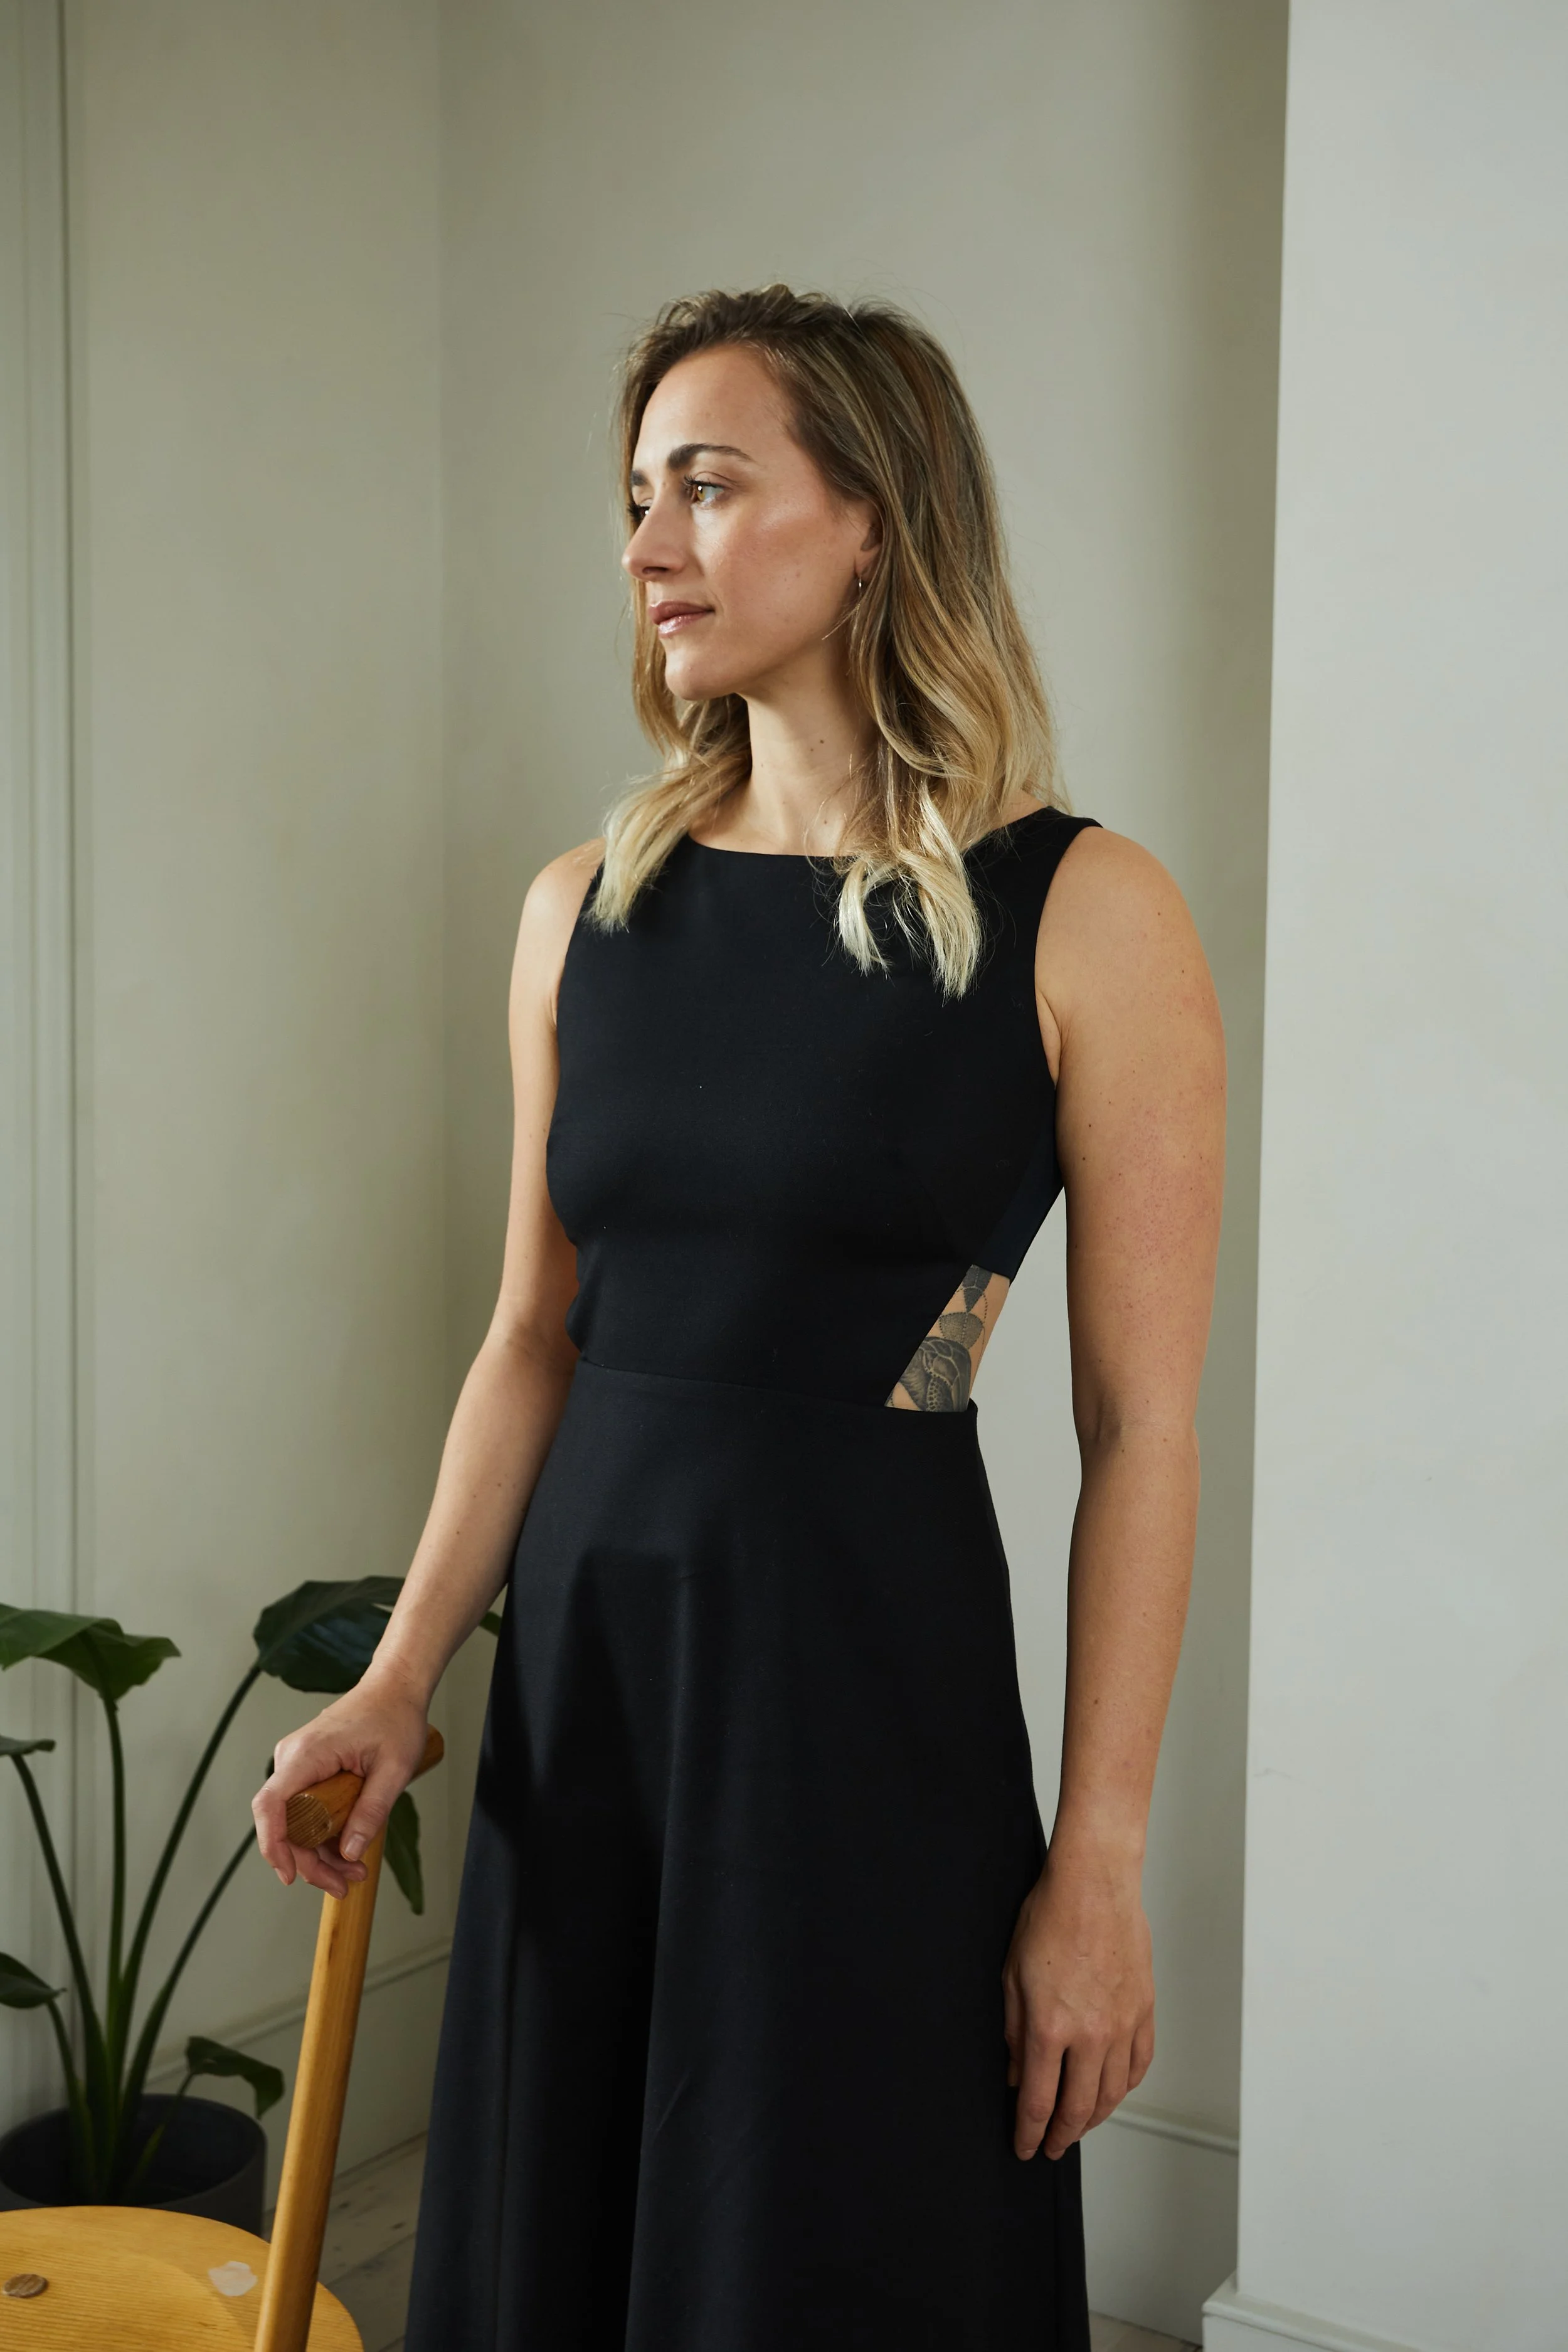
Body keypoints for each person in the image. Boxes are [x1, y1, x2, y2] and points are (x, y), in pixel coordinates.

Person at [252, 282, 1225, 2350]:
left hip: (864, 1688)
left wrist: (1100, 1858)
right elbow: (537, 1333)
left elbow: (1140, 1425)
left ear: (875, 519)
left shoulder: (1084, 909)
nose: (646, 544)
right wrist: (404, 1673)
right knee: (568, 2227)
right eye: (634, 496)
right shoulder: (580, 906)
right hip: (589, 1680)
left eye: (708, 484)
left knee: (834, 2234)